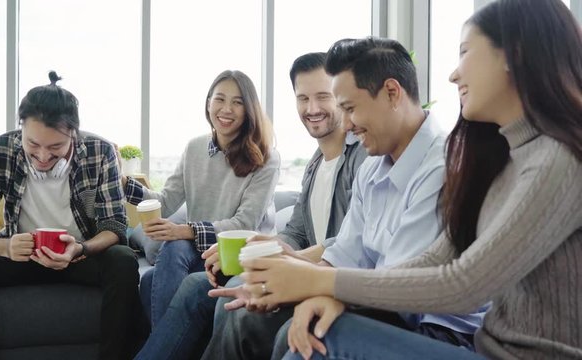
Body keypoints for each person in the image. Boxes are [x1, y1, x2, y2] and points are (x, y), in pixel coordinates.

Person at [243, 1, 582, 359]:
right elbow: (434, 259)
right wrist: (331, 291)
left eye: (465, 52)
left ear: (513, 55)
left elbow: (464, 283)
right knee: (316, 331)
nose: (453, 74)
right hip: (487, 347)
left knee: (325, 340)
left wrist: (320, 281)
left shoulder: (558, 159)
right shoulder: (505, 157)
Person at [240, 36, 490, 359]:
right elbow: (345, 254)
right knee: (266, 322)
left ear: (391, 93)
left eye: (350, 108)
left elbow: (399, 287)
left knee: (308, 344)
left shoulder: (442, 167)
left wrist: (312, 284)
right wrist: (285, 275)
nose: (345, 125)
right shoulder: (372, 169)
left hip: (436, 329)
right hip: (383, 306)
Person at [0, 71, 146, 360]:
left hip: (77, 257)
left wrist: (80, 249)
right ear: (21, 130)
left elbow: (114, 226)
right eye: (33, 145)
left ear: (73, 135)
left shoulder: (100, 152)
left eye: (55, 148)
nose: (42, 157)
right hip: (18, 255)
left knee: (123, 259)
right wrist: (5, 247)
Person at [196, 52, 370, 360]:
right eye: (303, 98)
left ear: (342, 98)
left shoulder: (364, 157)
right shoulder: (315, 165)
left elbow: (354, 242)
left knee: (237, 298)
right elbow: (296, 232)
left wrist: (286, 261)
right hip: (307, 273)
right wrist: (254, 249)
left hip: (333, 283)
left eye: (322, 97)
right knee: (207, 290)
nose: (312, 108)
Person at [127, 70, 280, 359]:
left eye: (237, 102)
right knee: (156, 271)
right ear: (208, 103)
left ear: (249, 110)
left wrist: (185, 230)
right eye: (219, 99)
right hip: (203, 256)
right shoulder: (195, 148)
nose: (226, 109)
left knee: (156, 273)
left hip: (240, 259)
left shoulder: (266, 157)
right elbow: (166, 201)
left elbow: (244, 224)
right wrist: (125, 186)